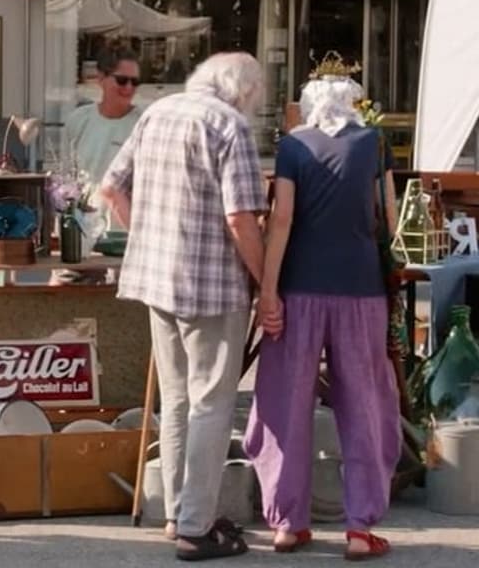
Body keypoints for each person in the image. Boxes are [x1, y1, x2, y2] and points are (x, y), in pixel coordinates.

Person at [100, 52, 269, 561]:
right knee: (212, 403)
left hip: (157, 280)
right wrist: (267, 283)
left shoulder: (157, 112)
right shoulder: (230, 126)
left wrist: (148, 238)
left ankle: (177, 513)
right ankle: (197, 526)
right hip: (212, 285)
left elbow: (111, 188)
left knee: (176, 400)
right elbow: (241, 219)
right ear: (243, 92)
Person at [242, 76, 401, 560]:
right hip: (361, 291)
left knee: (285, 401)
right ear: (354, 107)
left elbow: (283, 218)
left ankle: (288, 524)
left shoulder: (293, 147)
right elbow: (390, 217)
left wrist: (268, 292)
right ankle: (359, 527)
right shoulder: (375, 144)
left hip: (299, 290)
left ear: (307, 108)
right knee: (365, 403)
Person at [52, 48, 144, 285]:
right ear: (101, 79)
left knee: (117, 310)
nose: (129, 88)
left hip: (124, 235)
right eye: (122, 80)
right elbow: (66, 178)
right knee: (63, 301)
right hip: (83, 233)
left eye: (135, 82)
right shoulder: (79, 120)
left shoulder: (144, 123)